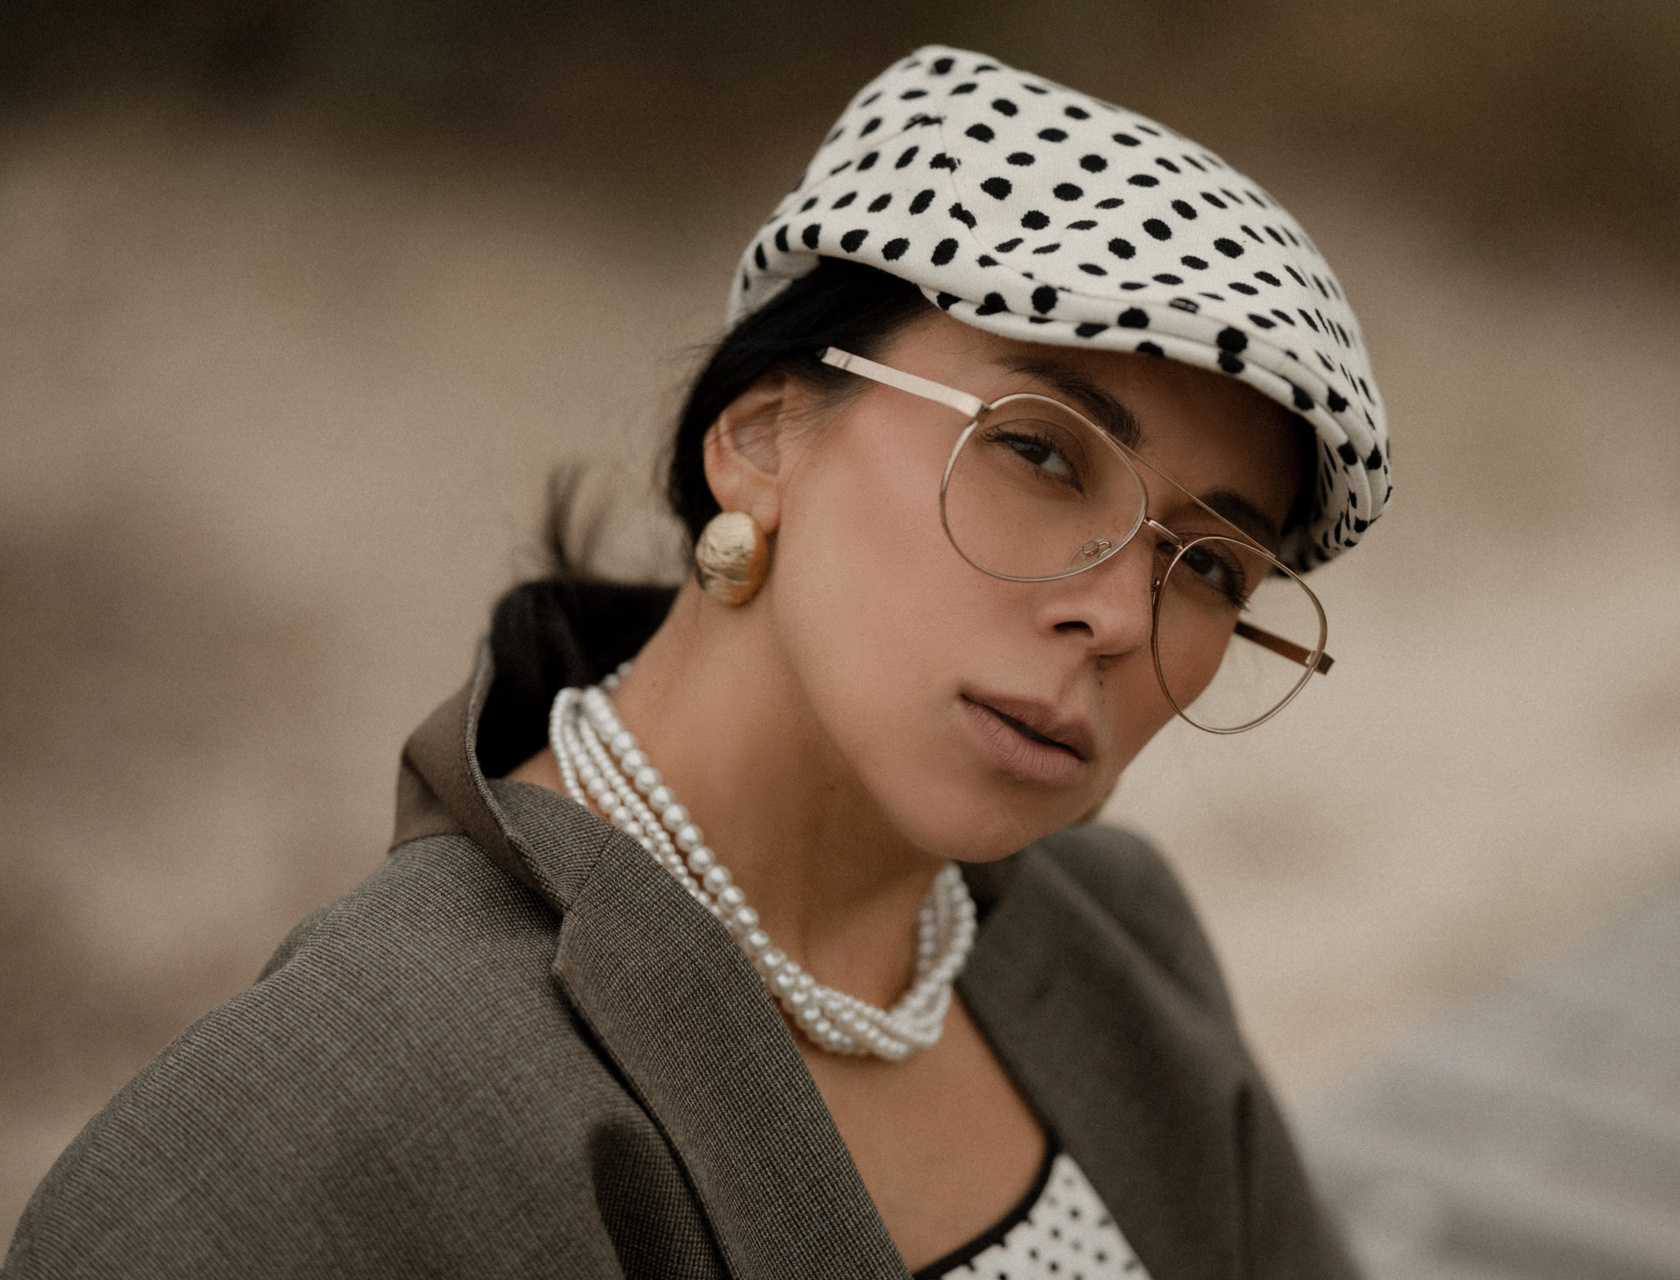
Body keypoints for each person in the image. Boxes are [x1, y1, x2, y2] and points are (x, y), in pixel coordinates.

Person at [4, 45, 1389, 1280]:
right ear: (761, 436)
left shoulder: (1115, 941)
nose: (1124, 618)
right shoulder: (348, 1097)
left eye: (1211, 567)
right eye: (1037, 452)